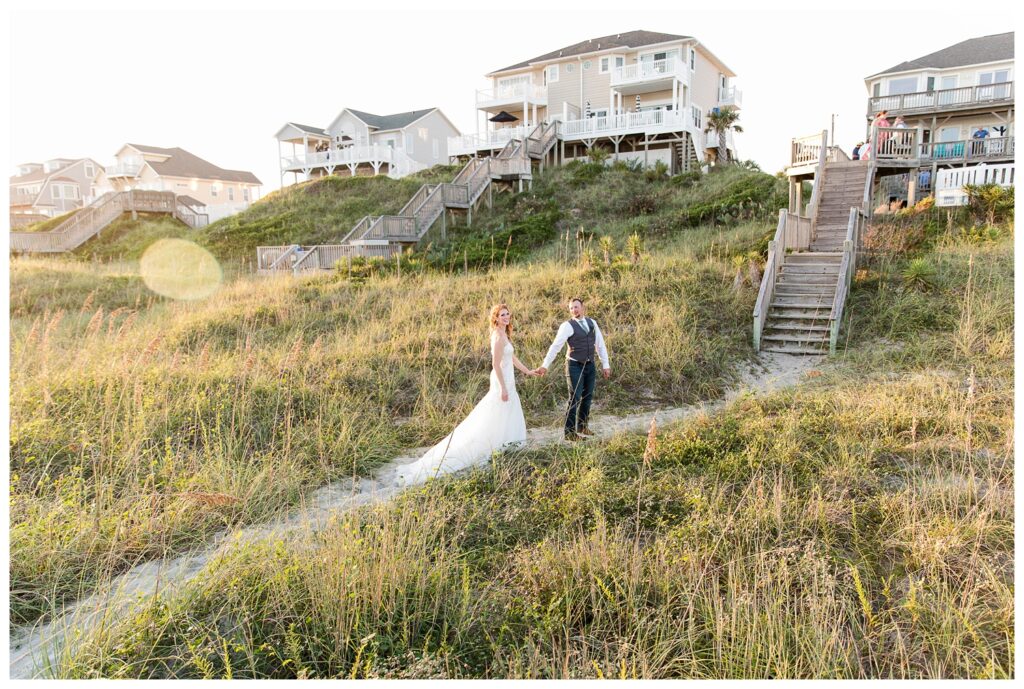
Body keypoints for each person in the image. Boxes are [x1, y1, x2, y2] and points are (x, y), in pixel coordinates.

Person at [394, 304, 532, 483]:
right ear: (496, 318)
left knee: (506, 412)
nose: (506, 317)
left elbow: (511, 358)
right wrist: (503, 388)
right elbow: (496, 364)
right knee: (494, 413)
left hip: (509, 380)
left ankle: (506, 444)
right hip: (501, 381)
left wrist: (527, 371)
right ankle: (493, 445)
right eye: (502, 315)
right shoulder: (498, 336)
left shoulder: (504, 333)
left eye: (507, 314)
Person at [534, 298, 611, 441]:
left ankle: (582, 426)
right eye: (571, 308)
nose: (574, 310)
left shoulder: (592, 323)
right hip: (574, 365)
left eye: (576, 307)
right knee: (574, 398)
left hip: (590, 364)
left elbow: (600, 344)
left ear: (582, 307)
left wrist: (605, 364)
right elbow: (555, 346)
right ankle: (569, 434)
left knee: (587, 397)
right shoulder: (567, 326)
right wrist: (545, 365)